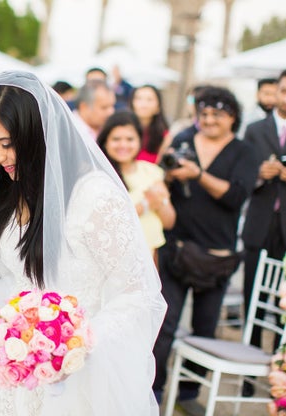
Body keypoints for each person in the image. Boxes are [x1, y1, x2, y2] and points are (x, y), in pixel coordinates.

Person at [0, 71, 166, 415]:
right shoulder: (15, 191)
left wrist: (72, 343)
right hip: (17, 379)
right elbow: (26, 262)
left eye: (6, 144)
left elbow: (138, 294)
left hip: (80, 377)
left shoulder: (95, 197)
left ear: (38, 135)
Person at [152, 86, 259, 406]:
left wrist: (197, 174)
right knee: (165, 324)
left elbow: (236, 197)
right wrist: (169, 173)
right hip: (177, 246)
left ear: (233, 117)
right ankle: (154, 391)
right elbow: (161, 178)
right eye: (204, 114)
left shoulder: (244, 151)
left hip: (217, 255)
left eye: (217, 114)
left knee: (205, 326)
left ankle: (188, 393)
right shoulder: (184, 138)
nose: (209, 119)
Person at [241, 69, 286, 356]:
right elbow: (242, 176)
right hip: (259, 222)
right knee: (251, 294)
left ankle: (279, 366)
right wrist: (258, 174)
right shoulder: (255, 129)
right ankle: (250, 364)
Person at [97, 111, 176, 264]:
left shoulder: (152, 171)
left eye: (130, 139)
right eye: (116, 139)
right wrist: (145, 205)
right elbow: (105, 225)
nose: (123, 145)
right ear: (105, 141)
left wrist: (161, 201)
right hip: (116, 261)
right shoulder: (99, 177)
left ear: (140, 140)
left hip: (150, 259)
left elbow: (169, 222)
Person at [129, 84, 170, 164]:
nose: (143, 104)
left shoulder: (164, 137)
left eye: (149, 99)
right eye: (139, 98)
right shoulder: (122, 130)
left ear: (158, 106)